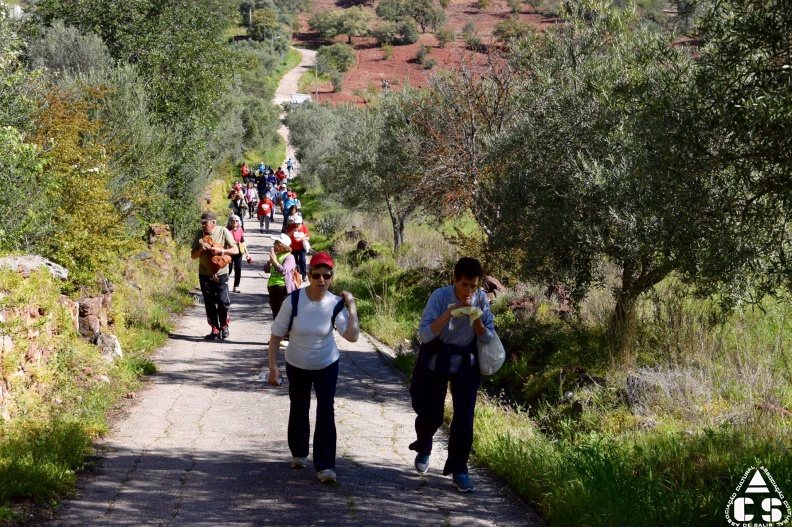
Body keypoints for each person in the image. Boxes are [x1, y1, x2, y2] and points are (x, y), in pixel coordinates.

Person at [267, 251, 359, 484]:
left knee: (326, 409)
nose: (321, 280)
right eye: (316, 275)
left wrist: (351, 305)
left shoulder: (335, 304)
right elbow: (276, 334)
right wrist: (273, 368)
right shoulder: (294, 300)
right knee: (299, 405)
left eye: (326, 276)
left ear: (331, 277)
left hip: (326, 363)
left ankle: (326, 466)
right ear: (308, 275)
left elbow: (352, 336)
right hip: (297, 363)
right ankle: (299, 453)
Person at [408, 257, 495, 493]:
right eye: (464, 284)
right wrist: (450, 314)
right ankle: (424, 446)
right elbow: (425, 335)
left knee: (464, 419)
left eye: (473, 286)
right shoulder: (440, 296)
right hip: (437, 359)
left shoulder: (480, 300)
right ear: (455, 279)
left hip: (466, 363)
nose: (468, 291)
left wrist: (476, 320)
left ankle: (460, 470)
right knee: (431, 413)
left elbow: (488, 338)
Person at [190, 211, 239, 340]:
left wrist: (221, 251)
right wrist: (201, 249)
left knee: (223, 302)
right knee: (209, 303)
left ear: (213, 223)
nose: (203, 225)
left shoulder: (223, 231)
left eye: (206, 223)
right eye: (202, 223)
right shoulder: (199, 234)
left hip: (221, 274)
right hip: (205, 274)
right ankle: (214, 329)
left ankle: (224, 326)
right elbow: (193, 255)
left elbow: (236, 250)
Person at [264, 233, 297, 318]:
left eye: (276, 242)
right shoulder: (276, 256)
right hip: (273, 288)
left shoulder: (290, 257)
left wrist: (275, 262)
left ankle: (285, 331)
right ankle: (277, 331)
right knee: (275, 313)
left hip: (283, 289)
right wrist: (270, 262)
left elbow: (284, 271)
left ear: (281, 245)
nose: (274, 244)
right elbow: (266, 270)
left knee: (283, 315)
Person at [226, 215, 246, 293]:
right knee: (229, 269)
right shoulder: (227, 230)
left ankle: (236, 286)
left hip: (238, 252)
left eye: (236, 221)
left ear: (239, 222)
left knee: (238, 269)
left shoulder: (240, 229)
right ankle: (225, 283)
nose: (235, 222)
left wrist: (247, 253)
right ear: (230, 221)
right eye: (233, 220)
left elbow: (243, 241)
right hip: (229, 252)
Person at [287, 216, 309, 280]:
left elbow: (308, 237)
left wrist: (304, 238)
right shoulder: (291, 227)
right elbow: (287, 236)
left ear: (301, 223)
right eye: (296, 223)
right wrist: (292, 231)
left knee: (302, 260)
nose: (297, 225)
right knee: (294, 262)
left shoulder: (304, 227)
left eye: (299, 223)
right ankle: (295, 275)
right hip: (293, 248)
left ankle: (304, 274)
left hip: (302, 248)